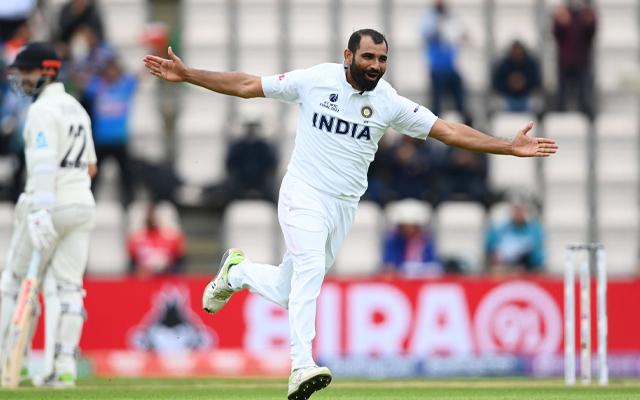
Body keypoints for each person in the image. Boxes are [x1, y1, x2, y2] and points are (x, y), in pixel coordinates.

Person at [143, 28, 557, 400]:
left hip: (342, 205)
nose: (375, 66)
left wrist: (507, 145)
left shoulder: (388, 102)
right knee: (307, 269)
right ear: (348, 56)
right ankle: (301, 365)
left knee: (291, 291)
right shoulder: (315, 80)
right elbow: (249, 84)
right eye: (368, 57)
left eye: (382, 59)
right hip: (302, 192)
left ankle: (236, 273)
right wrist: (190, 74)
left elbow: (447, 131)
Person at [0, 42, 97, 387]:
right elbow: (91, 167)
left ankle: (13, 365)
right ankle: (64, 368)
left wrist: (41, 210)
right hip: (82, 203)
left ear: (47, 72)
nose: (22, 79)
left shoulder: (42, 111)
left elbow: (42, 164)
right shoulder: (77, 108)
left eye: (26, 72)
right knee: (69, 289)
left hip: (48, 203)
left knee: (14, 282)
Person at [83, 53, 136, 208]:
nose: (112, 73)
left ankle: (129, 203)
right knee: (94, 176)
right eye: (109, 69)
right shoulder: (97, 86)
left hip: (120, 140)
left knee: (126, 175)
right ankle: (88, 201)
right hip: (101, 140)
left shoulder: (125, 85)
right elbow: (81, 83)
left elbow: (141, 75)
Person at [203, 120, 279, 208]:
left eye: (253, 127)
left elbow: (271, 167)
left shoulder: (265, 147)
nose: (251, 130)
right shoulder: (237, 146)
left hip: (261, 184)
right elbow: (230, 165)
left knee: (275, 191)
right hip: (240, 183)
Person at [420, 0, 472, 124]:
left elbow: (463, 35)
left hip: (451, 67)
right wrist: (441, 24)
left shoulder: (452, 19)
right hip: (437, 68)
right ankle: (432, 129)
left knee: (461, 101)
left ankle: (467, 127)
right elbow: (427, 34)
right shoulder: (429, 19)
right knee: (436, 103)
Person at [553, 0, 597, 118]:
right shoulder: (563, 14)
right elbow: (557, 35)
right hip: (565, 62)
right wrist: (559, 23)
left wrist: (590, 23)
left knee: (584, 96)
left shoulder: (586, 14)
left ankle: (587, 121)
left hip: (582, 62)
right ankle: (560, 118)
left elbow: (591, 34)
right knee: (562, 97)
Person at [382, 199, 441, 277]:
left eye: (411, 226)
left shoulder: (426, 241)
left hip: (422, 279)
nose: (408, 229)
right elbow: (389, 264)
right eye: (405, 226)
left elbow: (434, 263)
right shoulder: (393, 241)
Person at [485, 201, 545, 275]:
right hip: (504, 268)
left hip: (528, 269)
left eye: (521, 211)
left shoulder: (534, 230)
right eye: (516, 211)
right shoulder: (499, 230)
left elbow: (537, 255)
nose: (518, 214)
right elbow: (491, 250)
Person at [127, 202, 186, 277]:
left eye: (153, 215)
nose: (151, 219)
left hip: (167, 276)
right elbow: (133, 262)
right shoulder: (136, 239)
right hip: (143, 278)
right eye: (149, 215)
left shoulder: (171, 237)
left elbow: (179, 257)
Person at [492, 40, 541, 113]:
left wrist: (524, 83)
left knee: (532, 104)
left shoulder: (530, 64)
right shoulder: (504, 65)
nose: (517, 53)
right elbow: (497, 83)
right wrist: (509, 84)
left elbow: (536, 82)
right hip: (508, 96)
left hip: (526, 95)